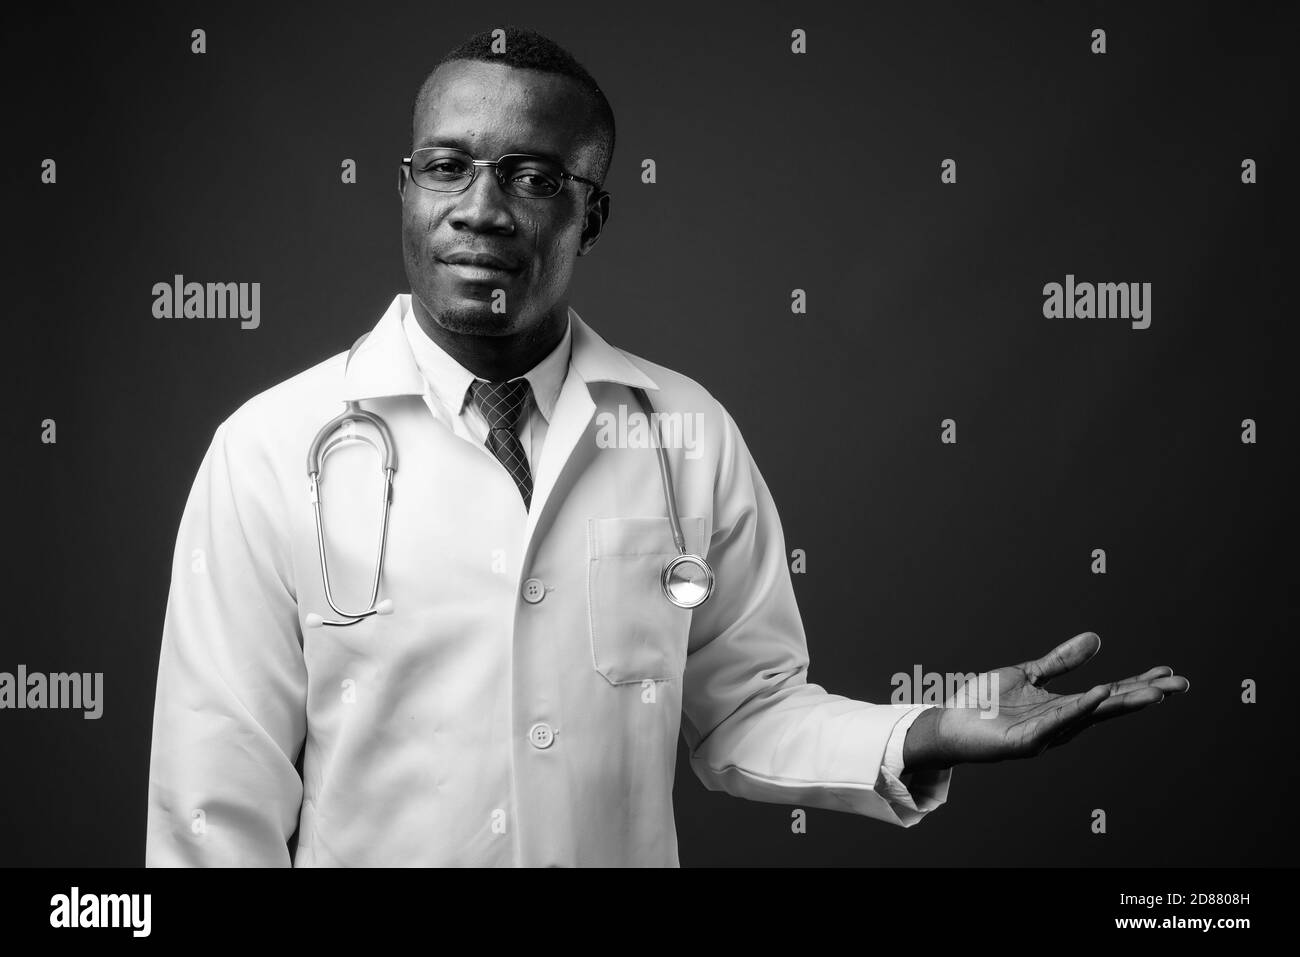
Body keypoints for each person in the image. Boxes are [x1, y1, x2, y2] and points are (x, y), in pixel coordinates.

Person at [145, 25, 1189, 867]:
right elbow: (214, 802)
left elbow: (744, 714)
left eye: (531, 176)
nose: (480, 208)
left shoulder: (683, 433)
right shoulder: (272, 447)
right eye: (446, 166)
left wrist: (913, 734)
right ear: (405, 189)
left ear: (591, 213)